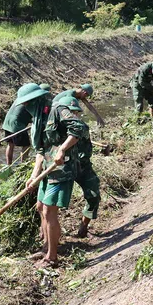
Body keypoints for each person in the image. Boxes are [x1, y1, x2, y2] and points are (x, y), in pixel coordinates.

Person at [19, 83, 81, 268]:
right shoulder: (37, 120)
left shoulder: (57, 109)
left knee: (49, 210)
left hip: (62, 169)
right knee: (40, 207)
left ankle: (52, 257)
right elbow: (40, 150)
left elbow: (79, 128)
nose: (25, 108)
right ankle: (47, 247)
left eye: (27, 104)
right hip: (47, 168)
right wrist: (33, 175)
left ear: (36, 100)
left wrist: (62, 149)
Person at [58, 96, 100, 238]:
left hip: (83, 166)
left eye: (76, 112)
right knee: (51, 204)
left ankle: (83, 229)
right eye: (71, 112)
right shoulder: (56, 132)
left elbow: (87, 146)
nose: (74, 116)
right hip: (63, 168)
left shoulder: (81, 127)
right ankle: (49, 236)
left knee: (94, 194)